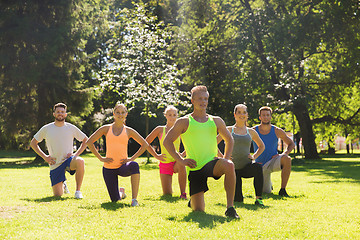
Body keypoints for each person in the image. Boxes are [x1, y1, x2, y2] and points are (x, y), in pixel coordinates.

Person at [163, 86, 239, 219]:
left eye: (205, 99)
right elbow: (167, 142)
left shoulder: (216, 121)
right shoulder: (184, 122)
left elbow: (229, 140)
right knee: (198, 211)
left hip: (212, 163)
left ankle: (230, 208)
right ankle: (193, 200)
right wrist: (181, 160)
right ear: (192, 100)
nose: (203, 102)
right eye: (199, 99)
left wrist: (226, 159)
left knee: (230, 165)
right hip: (195, 168)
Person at [86, 103, 148, 206]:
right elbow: (89, 142)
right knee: (115, 201)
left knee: (134, 165)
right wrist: (101, 158)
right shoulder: (106, 129)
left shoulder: (129, 131)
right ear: (114, 114)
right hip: (108, 168)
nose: (120, 115)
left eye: (123, 112)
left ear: (126, 114)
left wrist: (131, 159)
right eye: (118, 112)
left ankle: (134, 200)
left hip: (123, 166)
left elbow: (145, 144)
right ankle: (121, 193)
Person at [30, 103, 88, 199]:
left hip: (68, 160)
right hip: (55, 163)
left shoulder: (71, 128)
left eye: (62, 112)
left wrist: (75, 154)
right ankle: (63, 184)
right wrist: (45, 157)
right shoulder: (46, 128)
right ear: (54, 114)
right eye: (58, 112)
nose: (60, 114)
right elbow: (33, 143)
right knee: (58, 195)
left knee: (80, 161)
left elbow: (86, 140)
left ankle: (78, 191)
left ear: (65, 114)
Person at [217, 104, 265, 205]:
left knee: (258, 167)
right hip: (232, 170)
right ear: (235, 115)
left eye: (244, 112)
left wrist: (254, 156)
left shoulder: (251, 132)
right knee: (238, 200)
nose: (241, 115)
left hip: (246, 167)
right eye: (239, 112)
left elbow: (262, 146)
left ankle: (258, 198)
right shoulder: (229, 130)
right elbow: (213, 143)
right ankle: (238, 195)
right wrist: (223, 157)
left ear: (247, 115)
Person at [145, 106, 187, 199]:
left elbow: (190, 143)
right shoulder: (160, 129)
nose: (172, 117)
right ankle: (169, 190)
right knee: (167, 194)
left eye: (174, 115)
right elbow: (146, 142)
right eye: (169, 115)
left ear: (177, 116)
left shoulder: (181, 129)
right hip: (165, 162)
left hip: (177, 161)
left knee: (181, 163)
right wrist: (156, 155)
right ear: (165, 115)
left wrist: (183, 154)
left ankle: (183, 193)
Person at [253, 106, 295, 196]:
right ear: (260, 117)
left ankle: (283, 190)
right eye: (263, 115)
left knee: (287, 159)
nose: (265, 117)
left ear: (271, 117)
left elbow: (291, 144)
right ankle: (269, 185)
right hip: (259, 166)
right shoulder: (253, 131)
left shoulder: (277, 131)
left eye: (267, 115)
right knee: (266, 191)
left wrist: (283, 154)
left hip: (273, 161)